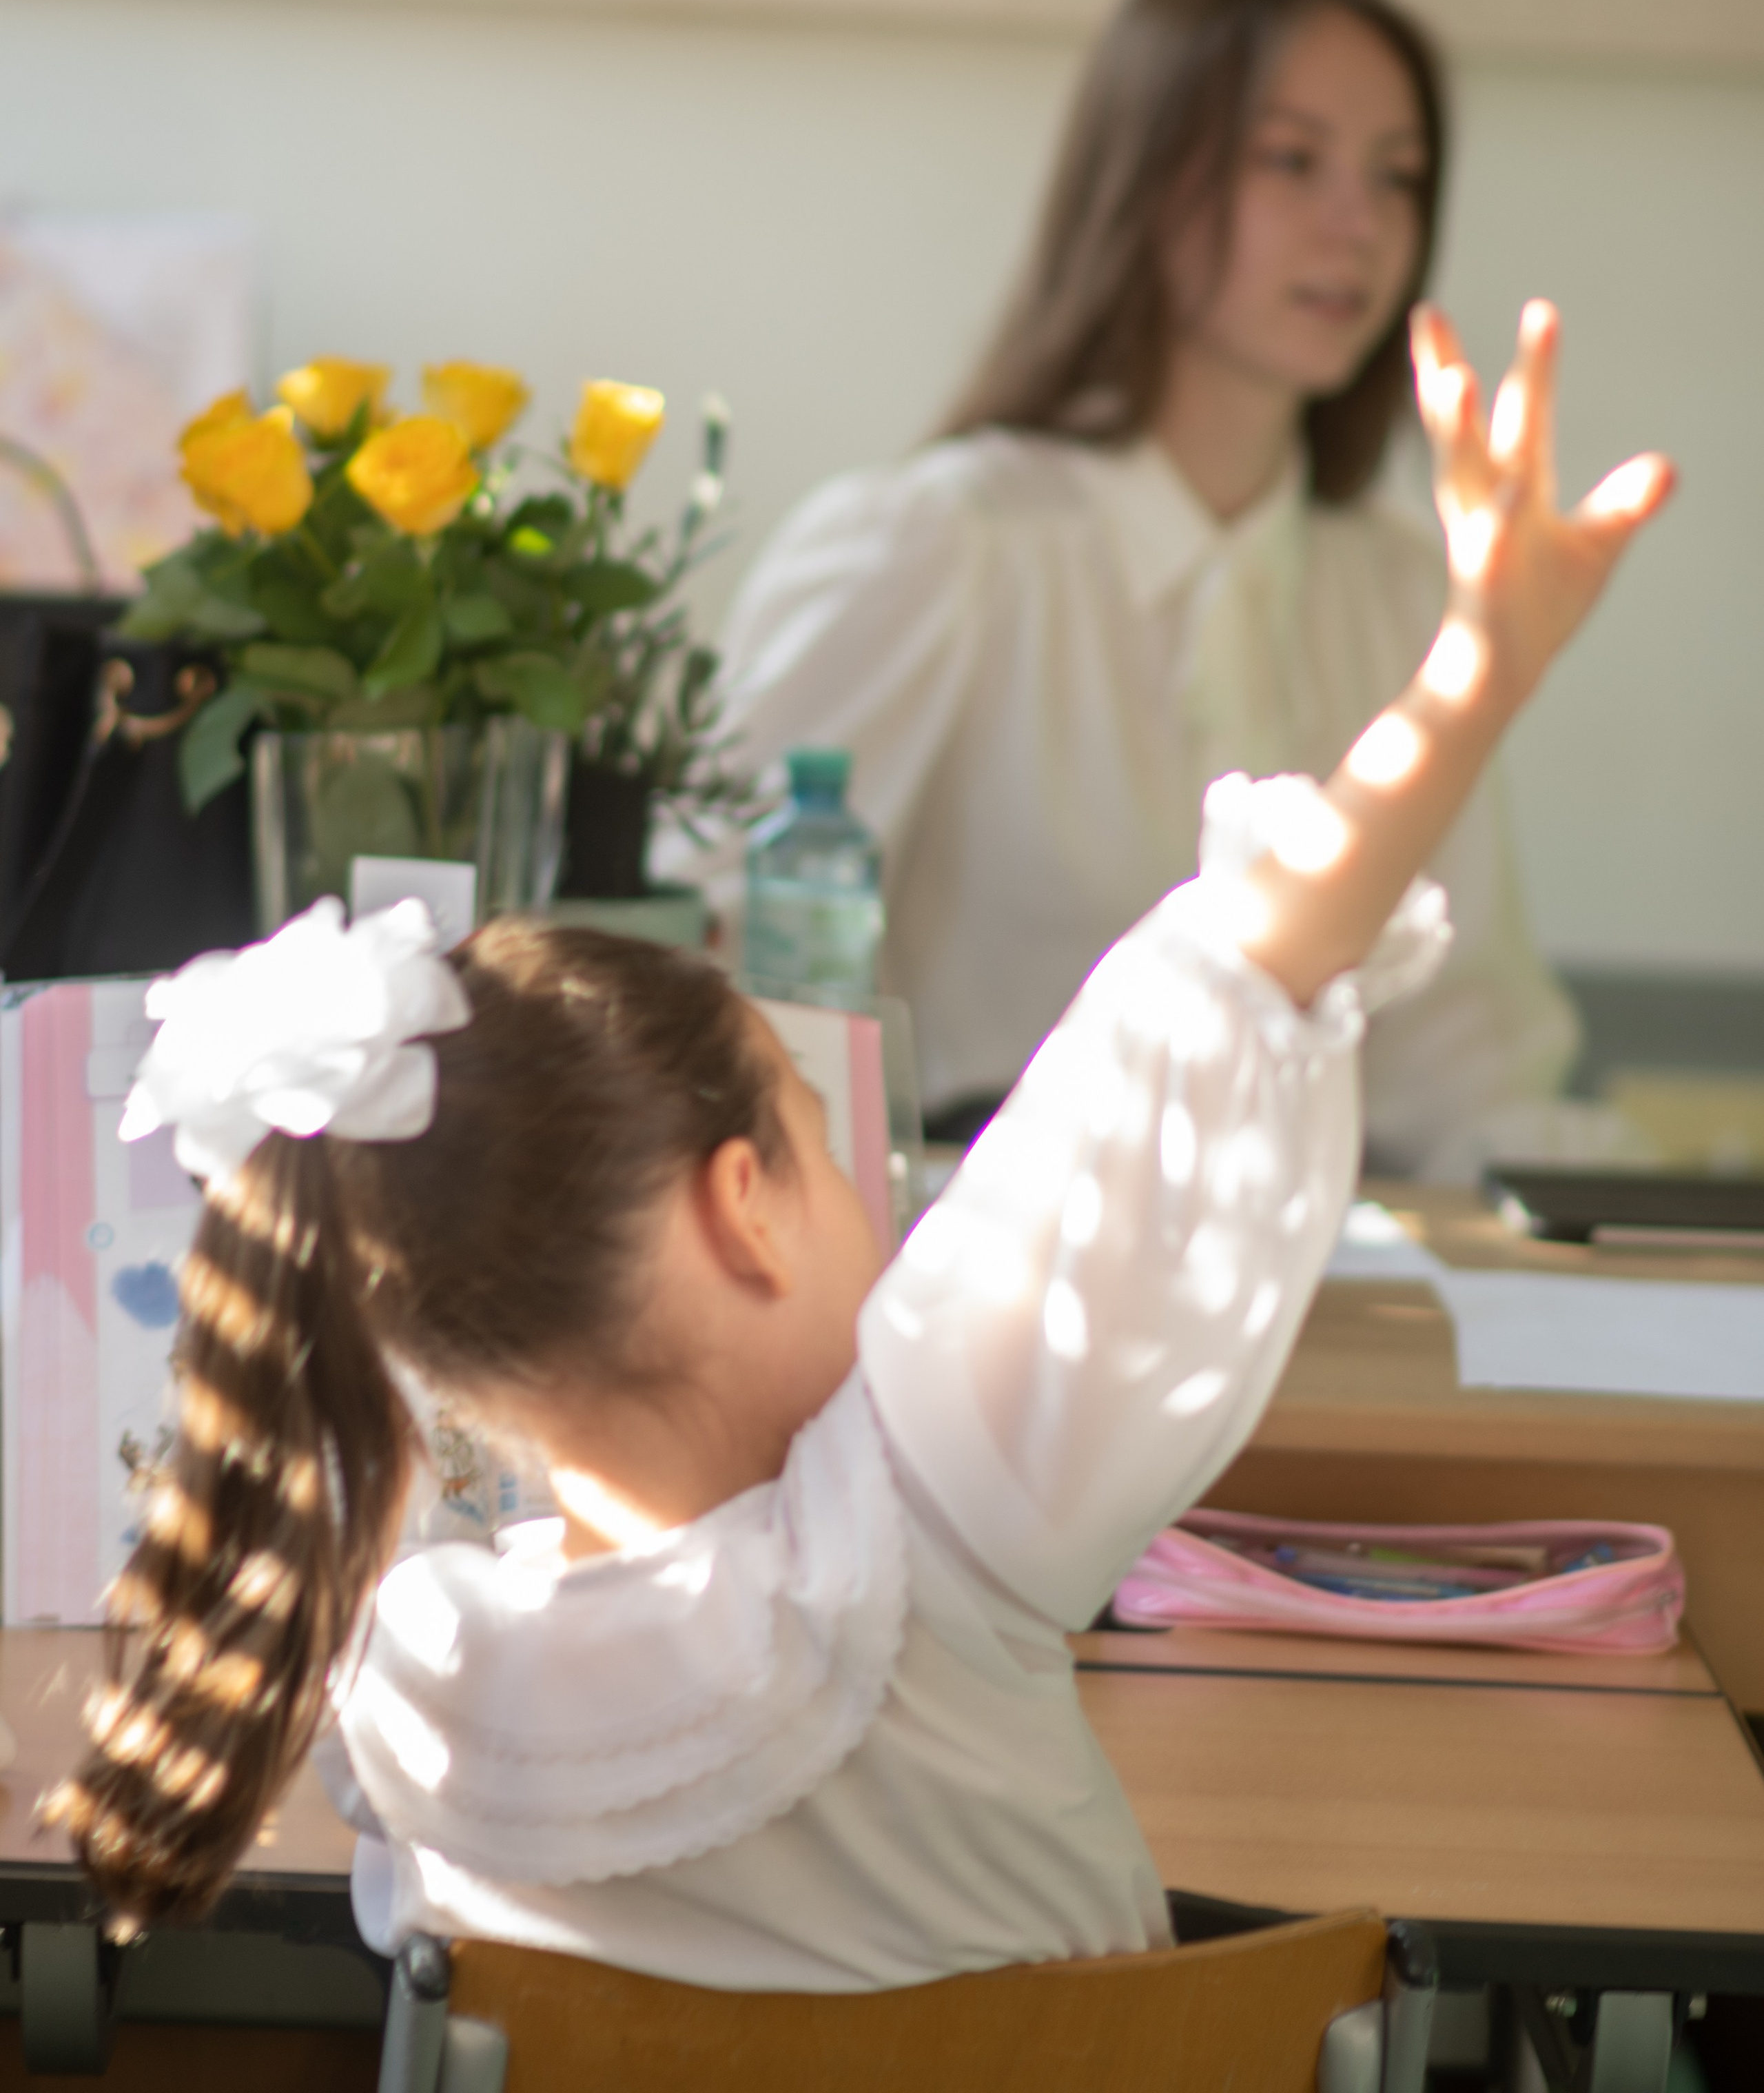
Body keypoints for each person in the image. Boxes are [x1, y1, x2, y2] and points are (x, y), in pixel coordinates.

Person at [54, 301, 1670, 1988]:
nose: (879, 1209)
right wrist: (1476, 670)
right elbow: (1221, 986)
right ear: (742, 1209)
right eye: (826, 1154)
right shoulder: (935, 1518)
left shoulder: (411, 1704)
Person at [710, 0, 1583, 1173]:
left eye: (1399, 176)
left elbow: (1466, 1051)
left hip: (1328, 1256)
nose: (1362, 225)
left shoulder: (1402, 589)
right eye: (1293, 160)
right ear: (1146, 178)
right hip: (965, 1246)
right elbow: (712, 964)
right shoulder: (941, 549)